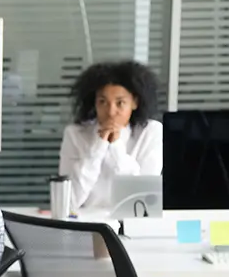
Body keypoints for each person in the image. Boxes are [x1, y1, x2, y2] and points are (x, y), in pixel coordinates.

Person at [58, 60, 163, 211]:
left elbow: (142, 202)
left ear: (134, 102)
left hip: (131, 224)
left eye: (120, 103)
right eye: (103, 102)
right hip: (85, 224)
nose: (111, 112)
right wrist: (98, 146)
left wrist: (116, 146)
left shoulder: (150, 132)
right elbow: (69, 202)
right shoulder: (74, 134)